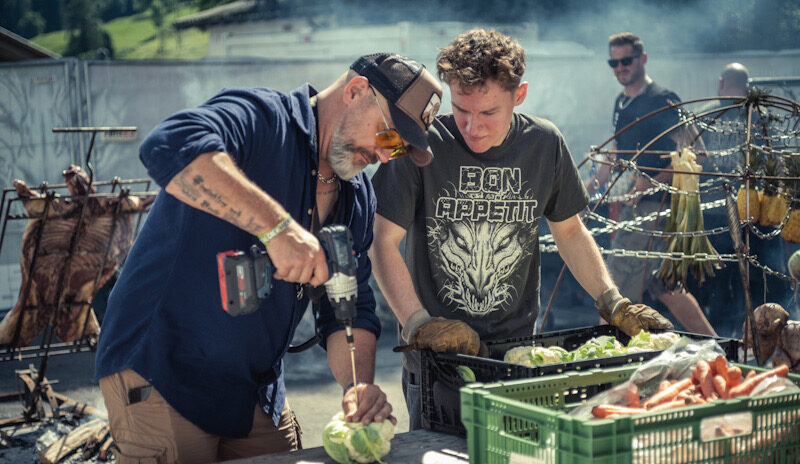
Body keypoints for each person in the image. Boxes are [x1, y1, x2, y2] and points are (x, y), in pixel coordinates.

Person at [94, 53, 443, 462]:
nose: (386, 156)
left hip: (255, 394)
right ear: (355, 91)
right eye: (388, 136)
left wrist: (357, 389)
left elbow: (349, 305)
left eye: (399, 149)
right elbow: (169, 144)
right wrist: (277, 228)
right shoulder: (262, 119)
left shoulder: (356, 198)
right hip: (164, 375)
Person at [368, 28, 674, 430]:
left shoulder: (545, 143)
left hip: (518, 357)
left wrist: (612, 301)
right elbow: (381, 243)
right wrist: (417, 323)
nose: (472, 127)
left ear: (520, 95)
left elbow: (569, 232)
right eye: (461, 109)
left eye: (488, 113)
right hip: (438, 364)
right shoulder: (417, 146)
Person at [587, 32, 717, 336]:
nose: (620, 67)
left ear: (642, 59)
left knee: (612, 285)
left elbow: (695, 151)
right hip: (634, 208)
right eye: (614, 62)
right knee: (665, 287)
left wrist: (652, 182)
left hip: (653, 210)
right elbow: (616, 152)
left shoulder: (662, 100)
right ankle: (716, 345)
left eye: (626, 60)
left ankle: (602, 354)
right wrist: (592, 187)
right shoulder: (622, 101)